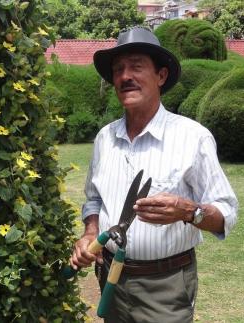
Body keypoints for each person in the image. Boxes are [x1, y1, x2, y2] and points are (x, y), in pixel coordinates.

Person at [69, 27, 238, 322]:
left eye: (136, 66)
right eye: (118, 70)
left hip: (167, 285)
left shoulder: (192, 137)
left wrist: (188, 211)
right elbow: (94, 200)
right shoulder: (104, 138)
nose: (124, 76)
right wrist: (90, 233)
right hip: (110, 276)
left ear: (160, 76)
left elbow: (226, 213)